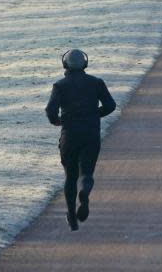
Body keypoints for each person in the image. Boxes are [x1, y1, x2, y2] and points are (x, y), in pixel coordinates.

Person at [45, 49, 117, 231]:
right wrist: (95, 115)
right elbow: (111, 105)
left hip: (69, 135)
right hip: (91, 134)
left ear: (65, 64)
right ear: (84, 64)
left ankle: (71, 216)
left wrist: (57, 121)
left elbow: (50, 111)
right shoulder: (96, 83)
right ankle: (84, 191)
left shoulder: (60, 86)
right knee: (86, 173)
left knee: (70, 176)